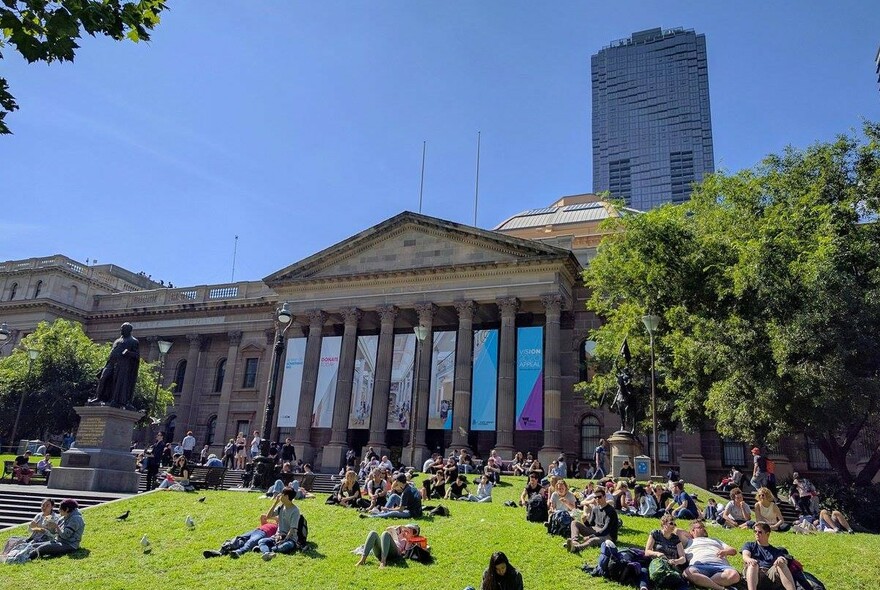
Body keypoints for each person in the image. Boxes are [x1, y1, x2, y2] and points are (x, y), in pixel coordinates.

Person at [89, 322, 140, 408]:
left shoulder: (133, 341)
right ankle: (98, 397)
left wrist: (128, 353)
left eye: (123, 329)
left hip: (122, 365)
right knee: (103, 378)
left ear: (129, 331)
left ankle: (115, 400)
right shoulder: (117, 340)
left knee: (117, 383)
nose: (121, 331)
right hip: (111, 363)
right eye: (121, 329)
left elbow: (137, 355)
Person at [683, 520, 741, 589]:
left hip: (721, 567)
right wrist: (689, 534)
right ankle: (720, 588)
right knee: (688, 573)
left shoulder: (715, 540)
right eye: (700, 527)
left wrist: (725, 551)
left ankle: (703, 583)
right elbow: (677, 531)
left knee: (734, 575)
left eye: (704, 527)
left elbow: (733, 551)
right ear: (692, 531)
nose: (704, 529)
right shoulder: (689, 541)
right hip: (699, 566)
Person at [741, 522, 798, 590]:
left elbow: (783, 559)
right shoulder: (749, 545)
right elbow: (745, 556)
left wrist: (781, 560)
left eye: (760, 532)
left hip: (770, 575)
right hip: (755, 573)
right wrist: (749, 560)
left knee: (782, 564)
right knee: (753, 564)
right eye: (755, 531)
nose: (756, 534)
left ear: (767, 534)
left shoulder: (776, 550)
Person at [204, 514, 279, 558]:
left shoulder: (280, 527)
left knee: (251, 542)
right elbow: (263, 516)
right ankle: (220, 551)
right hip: (256, 530)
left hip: (264, 534)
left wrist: (277, 518)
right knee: (239, 539)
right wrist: (272, 516)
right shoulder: (269, 523)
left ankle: (238, 552)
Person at [257, 487, 302, 560]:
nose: (280, 495)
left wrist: (284, 540)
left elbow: (292, 529)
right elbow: (268, 516)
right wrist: (275, 503)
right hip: (277, 536)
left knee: (285, 546)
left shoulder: (295, 511)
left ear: (286, 496)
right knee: (262, 541)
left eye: (282, 494)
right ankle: (267, 553)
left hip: (290, 539)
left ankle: (267, 550)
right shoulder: (281, 507)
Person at [356, 523, 421, 568]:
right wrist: (400, 527)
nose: (406, 532)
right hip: (382, 551)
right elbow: (388, 529)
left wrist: (407, 539)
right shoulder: (399, 534)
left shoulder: (409, 541)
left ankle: (383, 561)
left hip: (394, 553)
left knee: (385, 534)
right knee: (373, 533)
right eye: (406, 530)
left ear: (413, 535)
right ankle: (362, 560)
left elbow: (406, 552)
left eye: (409, 532)